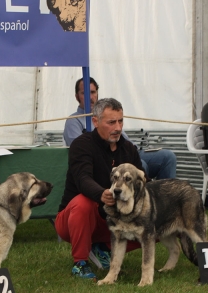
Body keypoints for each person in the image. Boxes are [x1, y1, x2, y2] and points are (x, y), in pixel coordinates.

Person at [55, 98, 143, 279]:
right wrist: (101, 194)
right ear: (95, 121)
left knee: (153, 219)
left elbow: (141, 183)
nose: (118, 128)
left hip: (112, 219)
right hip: (72, 220)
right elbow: (83, 179)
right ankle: (80, 263)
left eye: (120, 121)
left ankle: (104, 247)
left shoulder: (129, 149)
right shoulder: (81, 145)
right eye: (111, 122)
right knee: (83, 202)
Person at [64, 77, 177, 180]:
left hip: (130, 152)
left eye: (93, 92)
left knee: (168, 157)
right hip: (109, 158)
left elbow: (125, 140)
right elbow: (80, 150)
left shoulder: (108, 112)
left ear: (97, 93)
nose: (90, 97)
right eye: (84, 93)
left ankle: (163, 198)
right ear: (77, 96)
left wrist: (132, 150)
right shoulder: (74, 121)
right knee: (140, 165)